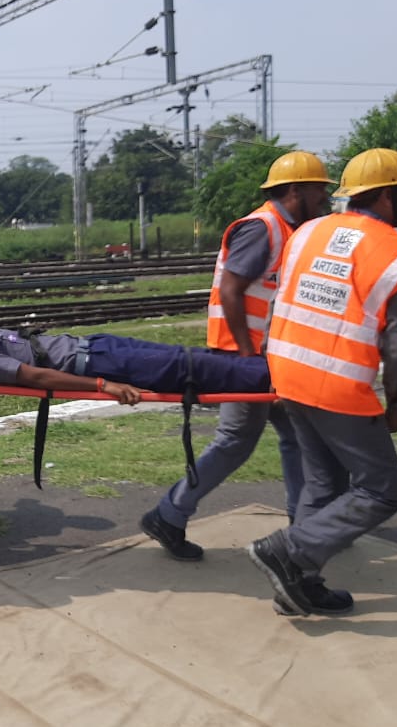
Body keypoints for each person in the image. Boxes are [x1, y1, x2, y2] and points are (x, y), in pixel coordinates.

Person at [249, 148, 397, 617]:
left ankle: (301, 584)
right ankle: (290, 551)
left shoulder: (308, 232)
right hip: (336, 384)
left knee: (323, 483)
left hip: (288, 372)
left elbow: (280, 300)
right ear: (386, 196)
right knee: (382, 490)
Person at [140, 151, 332, 561]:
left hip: (266, 359)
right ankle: (168, 513)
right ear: (296, 189)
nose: (325, 196)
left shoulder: (286, 228)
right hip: (240, 359)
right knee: (235, 442)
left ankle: (304, 524)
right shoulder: (263, 228)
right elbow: (231, 291)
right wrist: (247, 358)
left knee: (296, 434)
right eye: (320, 188)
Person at [0, 323, 271, 398]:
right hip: (98, 365)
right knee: (188, 368)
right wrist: (104, 386)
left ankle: (261, 367)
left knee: (184, 358)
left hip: (95, 348)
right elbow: (36, 378)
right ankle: (269, 376)